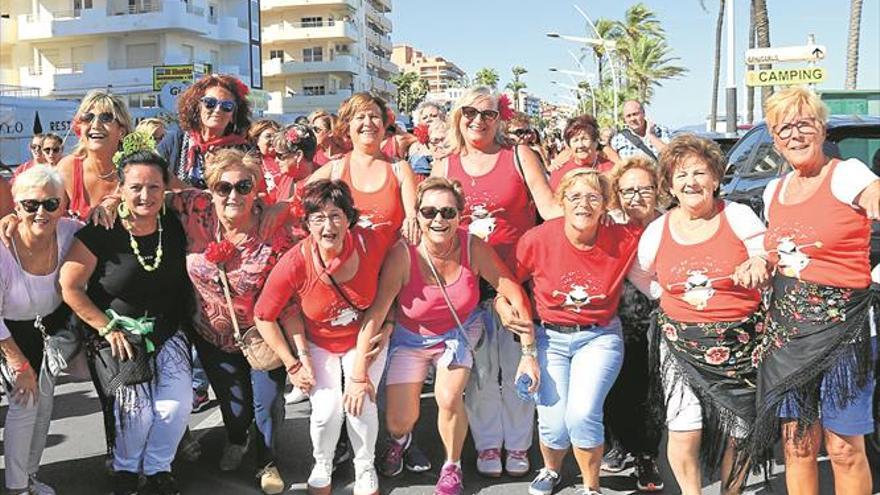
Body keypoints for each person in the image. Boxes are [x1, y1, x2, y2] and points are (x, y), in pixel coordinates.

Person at [371, 177, 539, 495]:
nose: (438, 220)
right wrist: (356, 371)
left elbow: (512, 289)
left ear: (460, 216)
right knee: (398, 421)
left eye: (448, 213)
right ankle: (400, 440)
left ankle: (452, 466)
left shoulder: (473, 246)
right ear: (417, 215)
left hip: (458, 331)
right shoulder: (402, 253)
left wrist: (529, 353)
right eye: (430, 211)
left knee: (448, 398)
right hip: (411, 336)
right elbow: (379, 309)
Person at [750, 87, 879, 495]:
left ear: (821, 129)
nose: (795, 134)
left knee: (842, 448)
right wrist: (758, 263)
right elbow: (782, 254)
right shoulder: (775, 191)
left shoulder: (848, 173)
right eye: (784, 127)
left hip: (845, 335)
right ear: (773, 138)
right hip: (789, 337)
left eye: (804, 124)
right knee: (798, 446)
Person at [431, 86, 560, 478]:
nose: (478, 120)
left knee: (519, 364)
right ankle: (488, 445)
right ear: (458, 116)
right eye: (469, 112)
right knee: (481, 372)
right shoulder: (445, 164)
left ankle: (518, 443)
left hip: (516, 281)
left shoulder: (519, 156)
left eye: (488, 114)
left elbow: (551, 208)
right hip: (466, 285)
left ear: (499, 118)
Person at [498, 168, 647, 495]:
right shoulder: (537, 239)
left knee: (581, 414)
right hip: (548, 336)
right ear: (561, 201)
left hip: (599, 336)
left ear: (605, 204)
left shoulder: (622, 238)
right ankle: (551, 470)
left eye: (594, 197)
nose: (584, 204)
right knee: (552, 421)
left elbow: (664, 226)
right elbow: (507, 284)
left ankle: (591, 488)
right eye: (575, 196)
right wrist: (502, 306)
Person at [636, 134, 769, 495]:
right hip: (682, 344)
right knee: (685, 428)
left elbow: (764, 252)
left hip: (741, 343)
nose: (691, 182)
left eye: (699, 173)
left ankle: (732, 492)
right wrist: (661, 293)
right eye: (681, 176)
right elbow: (640, 272)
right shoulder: (657, 230)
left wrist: (757, 263)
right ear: (670, 186)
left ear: (715, 179)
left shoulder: (737, 215)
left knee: (740, 433)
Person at [59, 143, 192, 495]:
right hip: (117, 335)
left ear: (166, 189)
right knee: (138, 413)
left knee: (176, 407)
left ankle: (159, 468)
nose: (145, 195)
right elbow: (70, 286)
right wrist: (105, 326)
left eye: (154, 187)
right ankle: (126, 470)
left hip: (168, 331)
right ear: (120, 189)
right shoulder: (102, 230)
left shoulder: (175, 224)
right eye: (135, 187)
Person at [167, 148, 296, 494]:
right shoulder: (192, 208)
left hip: (262, 335)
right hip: (211, 336)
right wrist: (111, 203)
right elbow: (145, 188)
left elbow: (323, 206)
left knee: (266, 404)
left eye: (243, 186)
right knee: (234, 407)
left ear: (256, 189)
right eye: (223, 187)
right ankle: (238, 438)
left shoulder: (275, 228)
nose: (233, 194)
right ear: (210, 189)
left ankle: (267, 461)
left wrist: (288, 206)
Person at [254, 179, 394, 495]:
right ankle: (322, 462)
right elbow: (263, 316)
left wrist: (391, 322)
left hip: (365, 337)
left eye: (335, 216)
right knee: (327, 410)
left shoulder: (371, 242)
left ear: (349, 219)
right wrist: (292, 365)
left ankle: (365, 466)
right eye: (318, 217)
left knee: (361, 404)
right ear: (306, 224)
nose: (327, 225)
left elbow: (399, 267)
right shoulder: (295, 261)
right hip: (319, 343)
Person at [1, 165, 81, 495]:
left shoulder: (72, 231)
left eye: (50, 204)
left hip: (49, 330)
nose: (41, 213)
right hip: (7, 334)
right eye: (30, 205)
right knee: (25, 402)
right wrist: (19, 365)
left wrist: (107, 208)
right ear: (15, 207)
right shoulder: (3, 248)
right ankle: (18, 486)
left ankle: (30, 476)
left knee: (44, 402)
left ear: (63, 205)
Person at [601, 157, 666, 491]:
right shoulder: (609, 225)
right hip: (616, 314)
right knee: (615, 384)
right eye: (628, 191)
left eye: (644, 189)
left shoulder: (671, 223)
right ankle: (617, 443)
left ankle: (646, 455)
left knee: (651, 389)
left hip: (660, 313)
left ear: (657, 190)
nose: (636, 197)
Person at [307, 93, 418, 243]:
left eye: (374, 117)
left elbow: (414, 221)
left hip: (392, 263)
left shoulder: (400, 170)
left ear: (384, 125)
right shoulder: (333, 171)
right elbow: (298, 205)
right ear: (347, 126)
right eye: (360, 117)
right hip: (346, 263)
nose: (368, 123)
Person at [158, 74, 252, 190]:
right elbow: (153, 173)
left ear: (233, 115)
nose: (217, 110)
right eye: (210, 103)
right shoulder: (176, 141)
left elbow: (251, 191)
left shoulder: (244, 150)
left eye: (227, 106)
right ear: (198, 107)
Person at [56, 90, 133, 220]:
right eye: (88, 117)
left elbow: (174, 194)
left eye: (106, 118)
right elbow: (48, 215)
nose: (96, 124)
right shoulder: (68, 168)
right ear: (80, 127)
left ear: (121, 132)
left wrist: (121, 199)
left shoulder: (139, 168)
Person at [548, 115, 615, 191]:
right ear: (569, 145)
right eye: (575, 140)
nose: (580, 145)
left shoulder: (611, 169)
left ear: (595, 142)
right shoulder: (560, 172)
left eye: (585, 139)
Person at [268, 123, 317, 204]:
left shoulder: (320, 183)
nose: (276, 160)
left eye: (280, 155)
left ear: (298, 155)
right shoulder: (286, 177)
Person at [247, 119, 282, 194]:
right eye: (268, 136)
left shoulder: (286, 161)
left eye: (276, 136)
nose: (272, 139)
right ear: (256, 140)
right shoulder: (249, 164)